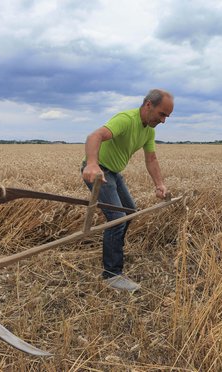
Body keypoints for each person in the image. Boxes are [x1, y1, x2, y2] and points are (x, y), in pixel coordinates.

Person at [81, 89, 173, 292]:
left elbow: (151, 159)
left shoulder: (148, 130)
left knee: (129, 212)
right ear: (148, 105)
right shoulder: (126, 119)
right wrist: (92, 164)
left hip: (113, 173)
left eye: (167, 116)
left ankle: (114, 251)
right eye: (162, 114)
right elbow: (94, 136)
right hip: (100, 172)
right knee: (116, 218)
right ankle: (112, 275)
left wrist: (159, 184)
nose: (164, 120)